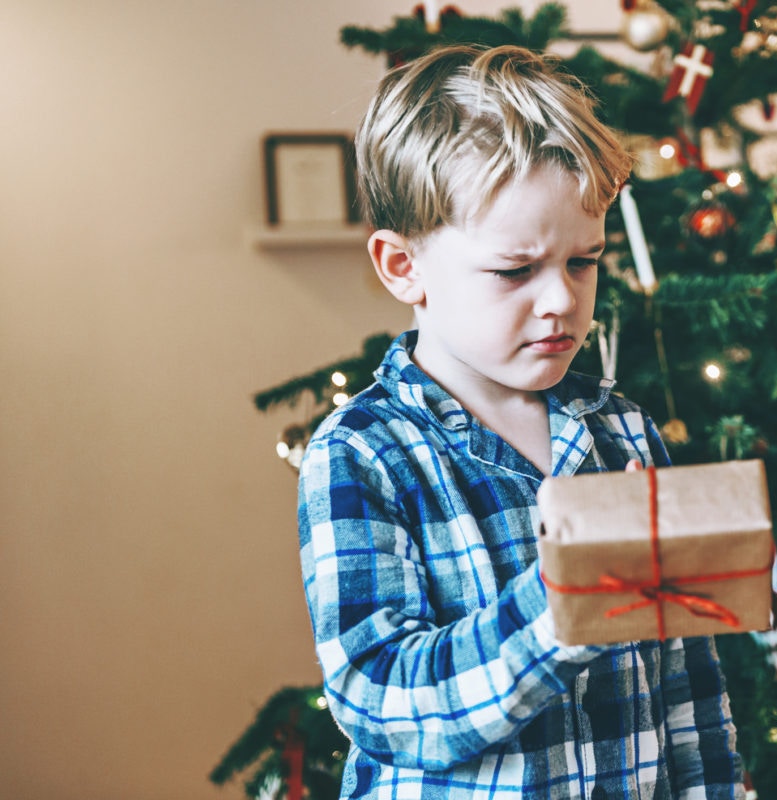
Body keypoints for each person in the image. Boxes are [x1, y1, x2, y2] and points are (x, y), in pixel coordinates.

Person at [297, 44, 745, 799]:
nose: (560, 301)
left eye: (584, 261)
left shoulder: (623, 435)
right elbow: (382, 701)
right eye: (515, 270)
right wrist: (561, 604)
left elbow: (689, 687)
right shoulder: (362, 453)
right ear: (403, 266)